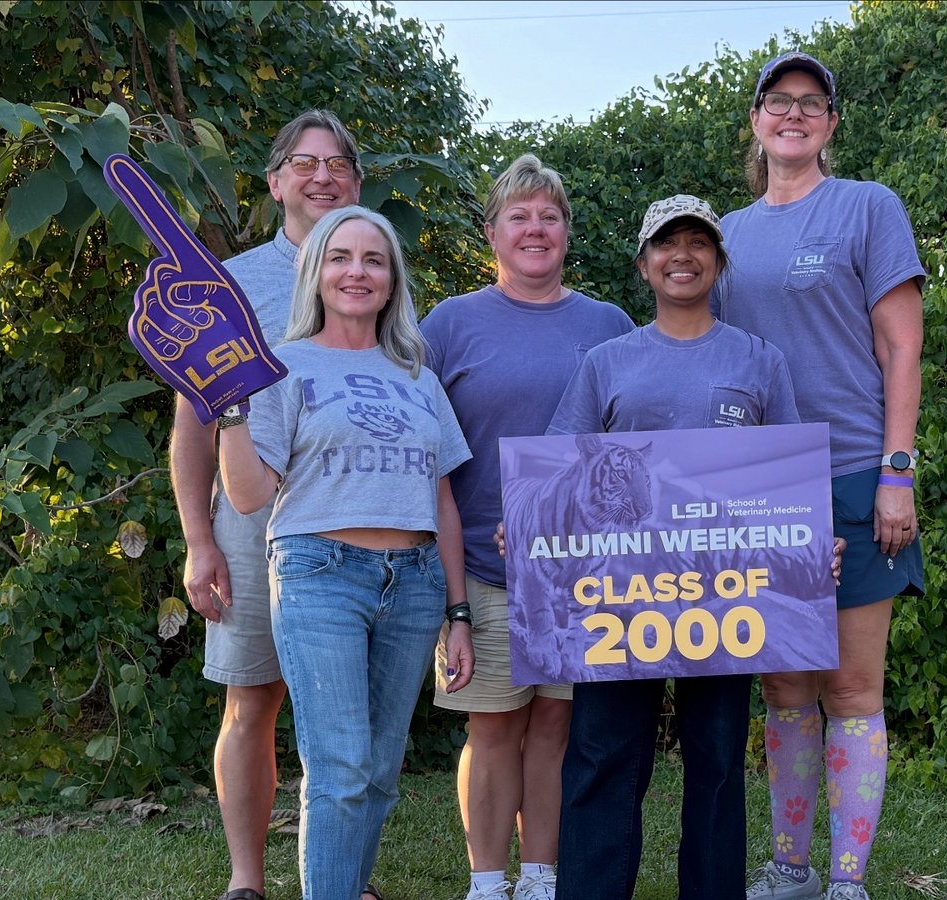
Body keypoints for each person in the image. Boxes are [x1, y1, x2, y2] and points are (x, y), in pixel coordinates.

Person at [539, 193, 816, 900]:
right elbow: (559, 470)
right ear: (643, 264)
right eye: (667, 243)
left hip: (725, 595)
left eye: (699, 243)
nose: (682, 255)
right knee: (603, 754)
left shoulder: (760, 361)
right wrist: (529, 523)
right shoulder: (607, 362)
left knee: (718, 759)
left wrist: (810, 547)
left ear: (720, 263)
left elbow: (785, 478)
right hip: (618, 594)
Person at [712, 52, 926, 900]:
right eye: (777, 102)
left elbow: (900, 345)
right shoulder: (725, 232)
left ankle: (847, 880)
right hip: (758, 483)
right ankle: (790, 867)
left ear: (831, 123)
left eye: (810, 103)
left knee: (852, 683)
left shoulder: (867, 208)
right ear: (757, 120)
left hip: (849, 472)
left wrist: (895, 471)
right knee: (786, 684)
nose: (792, 114)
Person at [217, 205, 475, 899]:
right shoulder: (280, 366)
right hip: (319, 574)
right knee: (339, 769)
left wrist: (458, 612)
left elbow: (442, 498)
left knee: (380, 772)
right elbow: (247, 495)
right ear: (315, 273)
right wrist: (230, 407)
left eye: (372, 259)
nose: (355, 272)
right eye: (340, 257)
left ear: (392, 281)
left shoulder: (417, 371)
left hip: (416, 583)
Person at [420, 154, 635, 900]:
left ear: (568, 232)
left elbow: (633, 448)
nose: (535, 228)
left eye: (549, 215)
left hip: (584, 576)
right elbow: (425, 449)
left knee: (556, 730)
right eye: (520, 215)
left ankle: (540, 875)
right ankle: (488, 881)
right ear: (492, 233)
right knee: (492, 729)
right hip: (482, 567)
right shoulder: (449, 324)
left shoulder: (608, 325)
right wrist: (448, 597)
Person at [169, 109, 366, 900]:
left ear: (357, 182)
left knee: (343, 713)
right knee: (253, 702)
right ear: (276, 180)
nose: (323, 176)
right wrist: (196, 539)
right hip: (251, 523)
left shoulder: (373, 271)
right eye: (304, 163)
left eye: (339, 164)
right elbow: (190, 425)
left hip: (355, 520)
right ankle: (246, 882)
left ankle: (343, 876)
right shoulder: (231, 283)